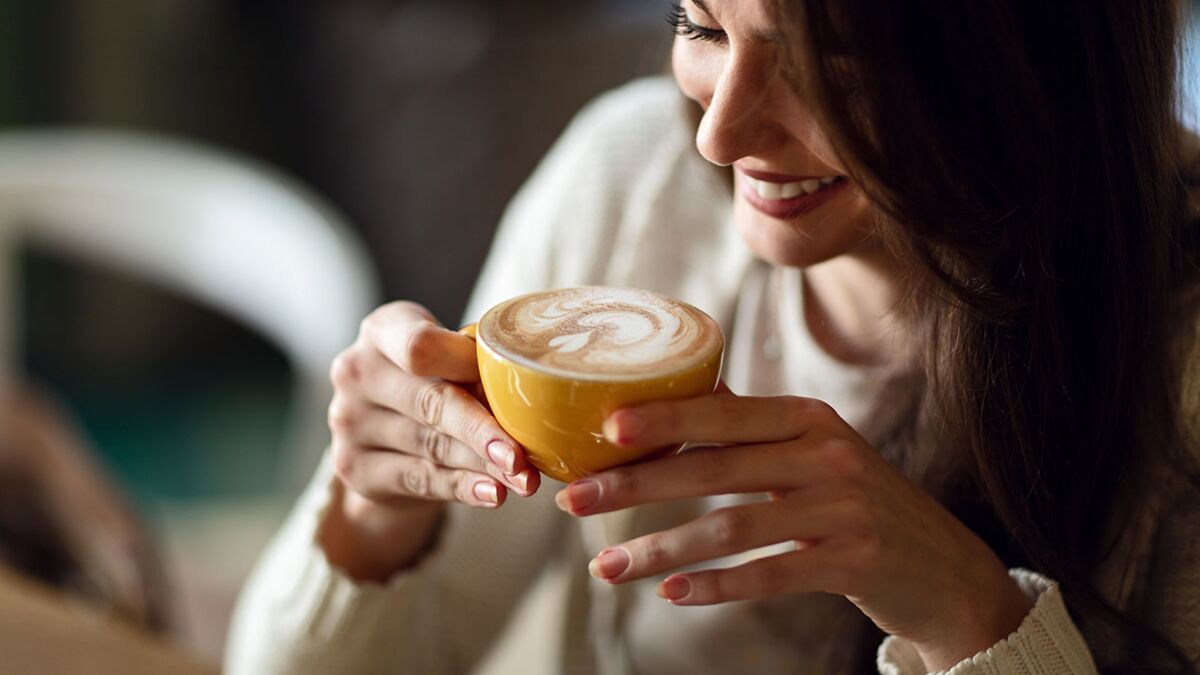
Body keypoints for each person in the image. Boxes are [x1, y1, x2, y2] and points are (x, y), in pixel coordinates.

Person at [226, 1, 1200, 673]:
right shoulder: (629, 181)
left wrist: (965, 613)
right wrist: (375, 508)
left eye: (830, 60)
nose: (718, 134)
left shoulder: (1177, 344)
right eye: (700, 23)